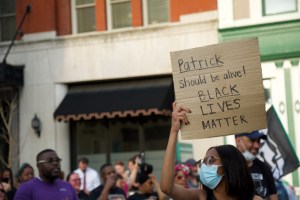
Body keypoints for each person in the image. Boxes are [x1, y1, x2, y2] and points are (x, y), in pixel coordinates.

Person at [160, 102, 263, 200]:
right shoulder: (202, 197)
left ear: (228, 166)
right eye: (203, 162)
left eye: (210, 160)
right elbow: (166, 188)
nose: (204, 166)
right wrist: (174, 131)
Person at [235, 131, 278, 200]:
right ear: (238, 141)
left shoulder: (264, 168)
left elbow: (273, 197)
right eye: (252, 140)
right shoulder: (228, 168)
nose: (257, 145)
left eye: (258, 141)